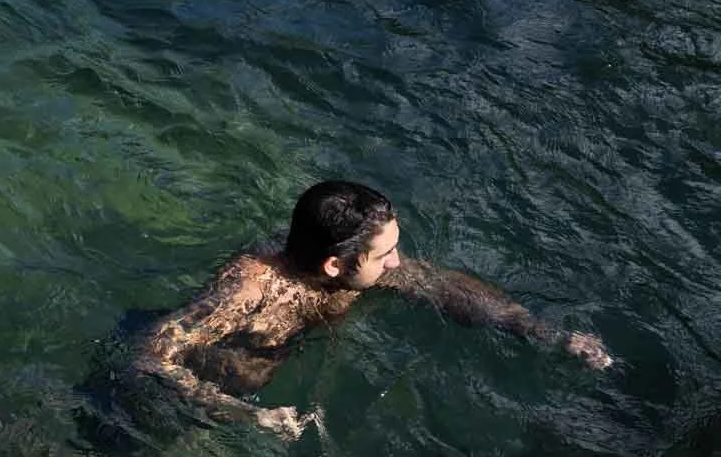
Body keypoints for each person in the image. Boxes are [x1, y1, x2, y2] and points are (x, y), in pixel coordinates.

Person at [134, 180, 613, 439]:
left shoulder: (357, 273)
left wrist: (540, 330)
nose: (398, 263)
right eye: (385, 255)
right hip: (159, 404)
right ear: (335, 264)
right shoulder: (250, 290)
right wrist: (245, 416)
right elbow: (151, 356)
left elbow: (443, 286)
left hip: (212, 408)